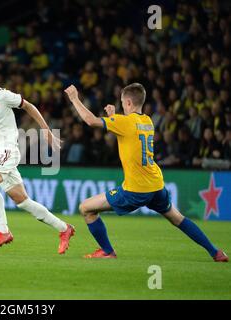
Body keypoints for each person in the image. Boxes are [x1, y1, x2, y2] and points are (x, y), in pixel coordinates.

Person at [64, 83, 228, 262]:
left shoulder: (125, 123)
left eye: (122, 102)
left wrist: (74, 98)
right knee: (177, 218)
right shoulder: (148, 121)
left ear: (127, 102)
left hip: (136, 189)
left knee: (86, 208)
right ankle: (215, 252)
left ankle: (107, 251)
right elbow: (128, 134)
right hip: (156, 185)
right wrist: (113, 116)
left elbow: (91, 120)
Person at [0, 62, 75, 253]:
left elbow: (29, 106)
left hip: (8, 148)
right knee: (22, 200)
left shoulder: (2, 95)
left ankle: (3, 231)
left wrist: (46, 130)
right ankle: (64, 228)